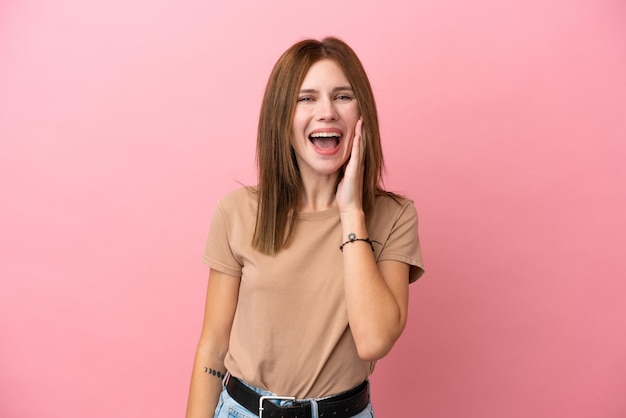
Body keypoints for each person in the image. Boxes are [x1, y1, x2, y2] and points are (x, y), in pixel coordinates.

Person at [186, 37, 424, 418]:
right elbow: (213, 347)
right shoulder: (238, 211)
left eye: (343, 96)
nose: (326, 111)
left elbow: (374, 340)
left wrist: (351, 213)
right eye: (306, 98)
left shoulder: (394, 216)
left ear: (362, 113)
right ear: (282, 116)